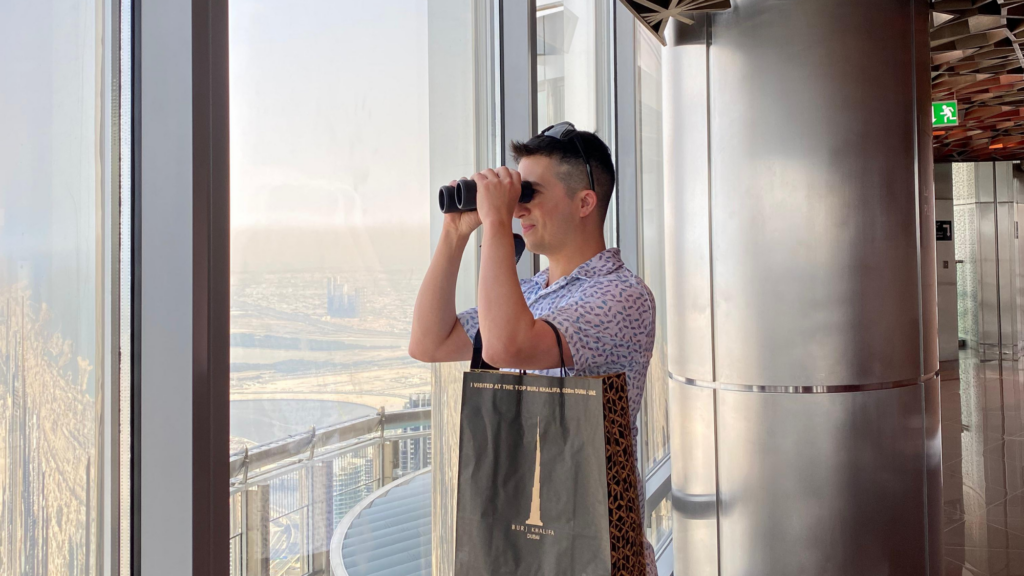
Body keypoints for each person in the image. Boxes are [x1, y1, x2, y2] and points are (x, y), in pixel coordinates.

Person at [408, 121, 658, 574]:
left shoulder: (621, 295)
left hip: (592, 552)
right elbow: (429, 341)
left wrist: (496, 223)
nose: (518, 208)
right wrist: (455, 233)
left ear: (585, 203)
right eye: (515, 194)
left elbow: (505, 346)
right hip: (527, 544)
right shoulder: (530, 293)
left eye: (529, 193)